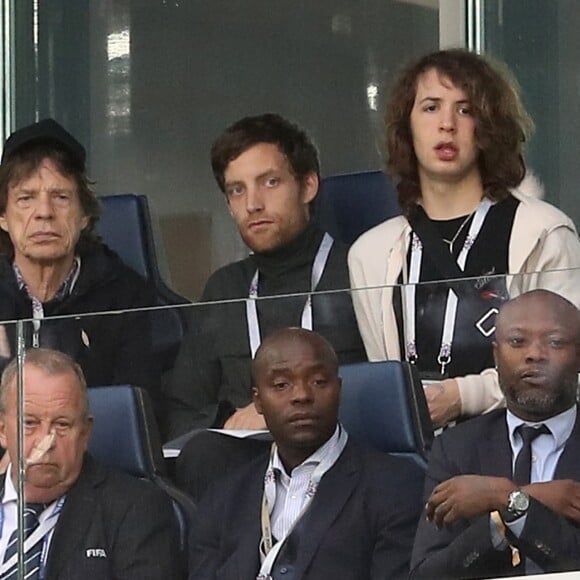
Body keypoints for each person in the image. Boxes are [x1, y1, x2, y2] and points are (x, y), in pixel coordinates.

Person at [348, 49, 580, 428]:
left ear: (488, 126)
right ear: (406, 126)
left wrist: (461, 396)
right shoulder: (370, 253)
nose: (446, 125)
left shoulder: (542, 232)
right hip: (416, 460)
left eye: (465, 109)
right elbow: (384, 375)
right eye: (430, 107)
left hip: (518, 449)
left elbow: (569, 364)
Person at [166, 113, 365, 439]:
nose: (253, 204)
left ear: (308, 186)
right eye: (237, 190)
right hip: (243, 466)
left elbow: (391, 396)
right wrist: (228, 425)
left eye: (270, 182)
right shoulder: (224, 288)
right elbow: (183, 412)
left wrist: (277, 412)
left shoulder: (361, 270)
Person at [189, 327, 424, 580]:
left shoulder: (395, 486)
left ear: (339, 389)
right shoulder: (223, 497)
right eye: (281, 385)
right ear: (257, 401)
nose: (301, 395)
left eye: (318, 381)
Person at [410, 289, 580, 578]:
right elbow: (428, 574)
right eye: (517, 341)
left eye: (555, 342)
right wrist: (515, 504)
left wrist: (504, 497)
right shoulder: (455, 448)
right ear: (496, 355)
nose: (534, 355)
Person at [0, 119, 162, 414]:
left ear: (85, 215)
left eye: (60, 197)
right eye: (26, 199)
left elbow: (134, 417)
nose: (44, 213)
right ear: (3, 218)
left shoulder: (127, 298)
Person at [0, 348, 179, 579]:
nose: (46, 441)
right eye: (29, 423)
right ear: (3, 431)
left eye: (62, 425)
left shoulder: (136, 510)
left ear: (85, 433)